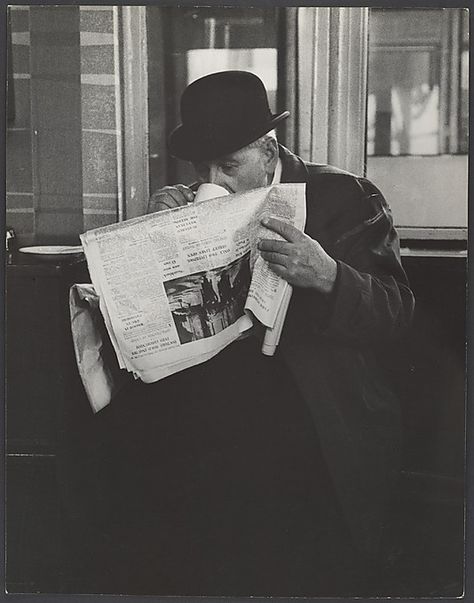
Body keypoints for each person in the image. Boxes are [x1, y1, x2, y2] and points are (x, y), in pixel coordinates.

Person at [90, 70, 415, 597]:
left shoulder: (348, 197)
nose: (214, 181)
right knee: (124, 452)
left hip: (313, 405)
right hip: (211, 403)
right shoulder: (189, 199)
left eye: (230, 165)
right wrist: (155, 241)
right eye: (204, 168)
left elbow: (397, 315)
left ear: (269, 149)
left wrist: (330, 276)